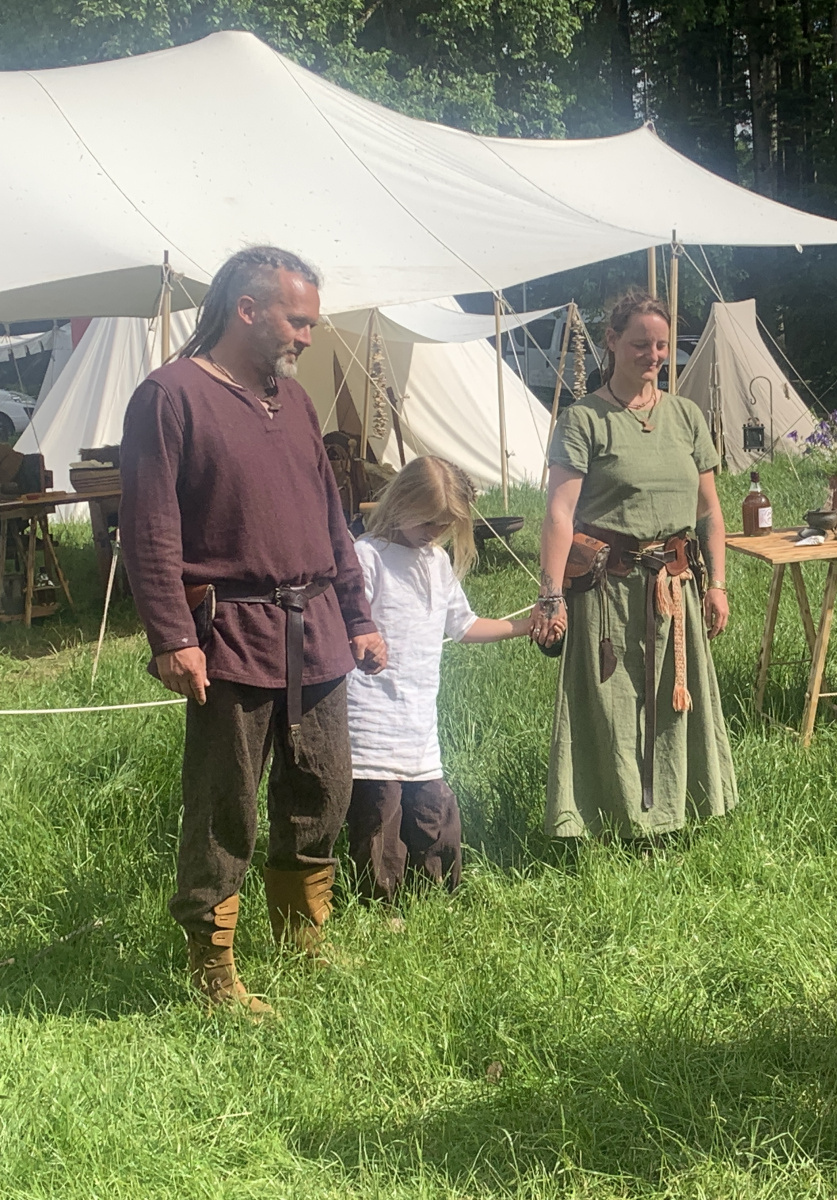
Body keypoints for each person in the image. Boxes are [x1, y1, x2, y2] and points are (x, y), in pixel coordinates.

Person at [120, 246, 387, 1017]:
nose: (307, 335)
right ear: (246, 309)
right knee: (224, 806)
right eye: (296, 321)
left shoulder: (293, 401)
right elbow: (149, 530)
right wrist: (173, 637)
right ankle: (213, 971)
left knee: (323, 790)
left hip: (317, 631)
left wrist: (359, 616)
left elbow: (332, 520)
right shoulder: (169, 396)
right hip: (231, 633)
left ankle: (303, 939)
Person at [531, 290, 737, 839]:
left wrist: (717, 584)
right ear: (612, 341)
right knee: (612, 704)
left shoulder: (687, 417)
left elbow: (710, 512)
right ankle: (613, 822)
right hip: (607, 590)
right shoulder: (583, 419)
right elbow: (558, 513)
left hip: (676, 586)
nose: (654, 355)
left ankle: (675, 814)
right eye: (641, 343)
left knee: (674, 700)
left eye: (662, 345)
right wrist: (550, 597)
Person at [344, 456, 535, 909]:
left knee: (435, 814)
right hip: (371, 721)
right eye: (427, 520)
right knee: (380, 820)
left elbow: (463, 625)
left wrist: (524, 626)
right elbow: (347, 627)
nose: (435, 531)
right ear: (402, 503)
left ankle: (434, 902)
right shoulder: (367, 556)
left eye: (445, 523)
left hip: (418, 723)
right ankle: (381, 908)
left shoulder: (436, 562)